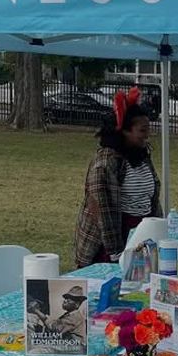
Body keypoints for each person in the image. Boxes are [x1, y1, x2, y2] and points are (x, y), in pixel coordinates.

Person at [74, 88, 162, 268]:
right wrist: (116, 253)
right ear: (124, 131)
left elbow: (152, 196)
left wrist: (158, 228)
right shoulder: (106, 162)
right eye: (142, 130)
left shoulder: (141, 155)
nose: (147, 135)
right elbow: (103, 211)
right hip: (112, 241)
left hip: (140, 236)